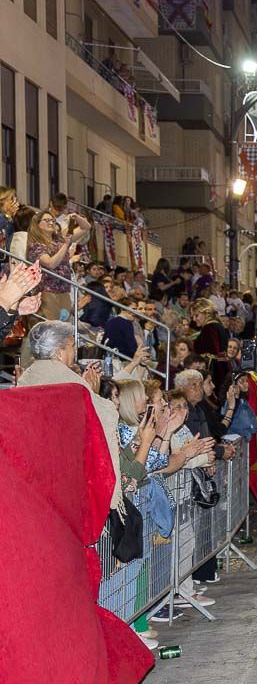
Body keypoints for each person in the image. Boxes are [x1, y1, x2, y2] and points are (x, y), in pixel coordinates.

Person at [17, 321, 123, 512]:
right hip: (64, 471)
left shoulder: (26, 377)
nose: (75, 352)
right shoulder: (70, 380)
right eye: (72, 346)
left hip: (34, 467)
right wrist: (94, 392)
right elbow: (103, 416)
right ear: (59, 352)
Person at [27, 210, 87, 320]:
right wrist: (66, 245)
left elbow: (85, 227)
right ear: (37, 223)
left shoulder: (59, 240)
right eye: (46, 220)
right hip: (47, 291)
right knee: (51, 326)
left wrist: (76, 217)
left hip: (64, 290)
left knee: (65, 329)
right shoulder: (36, 245)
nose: (51, 223)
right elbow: (50, 264)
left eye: (53, 220)